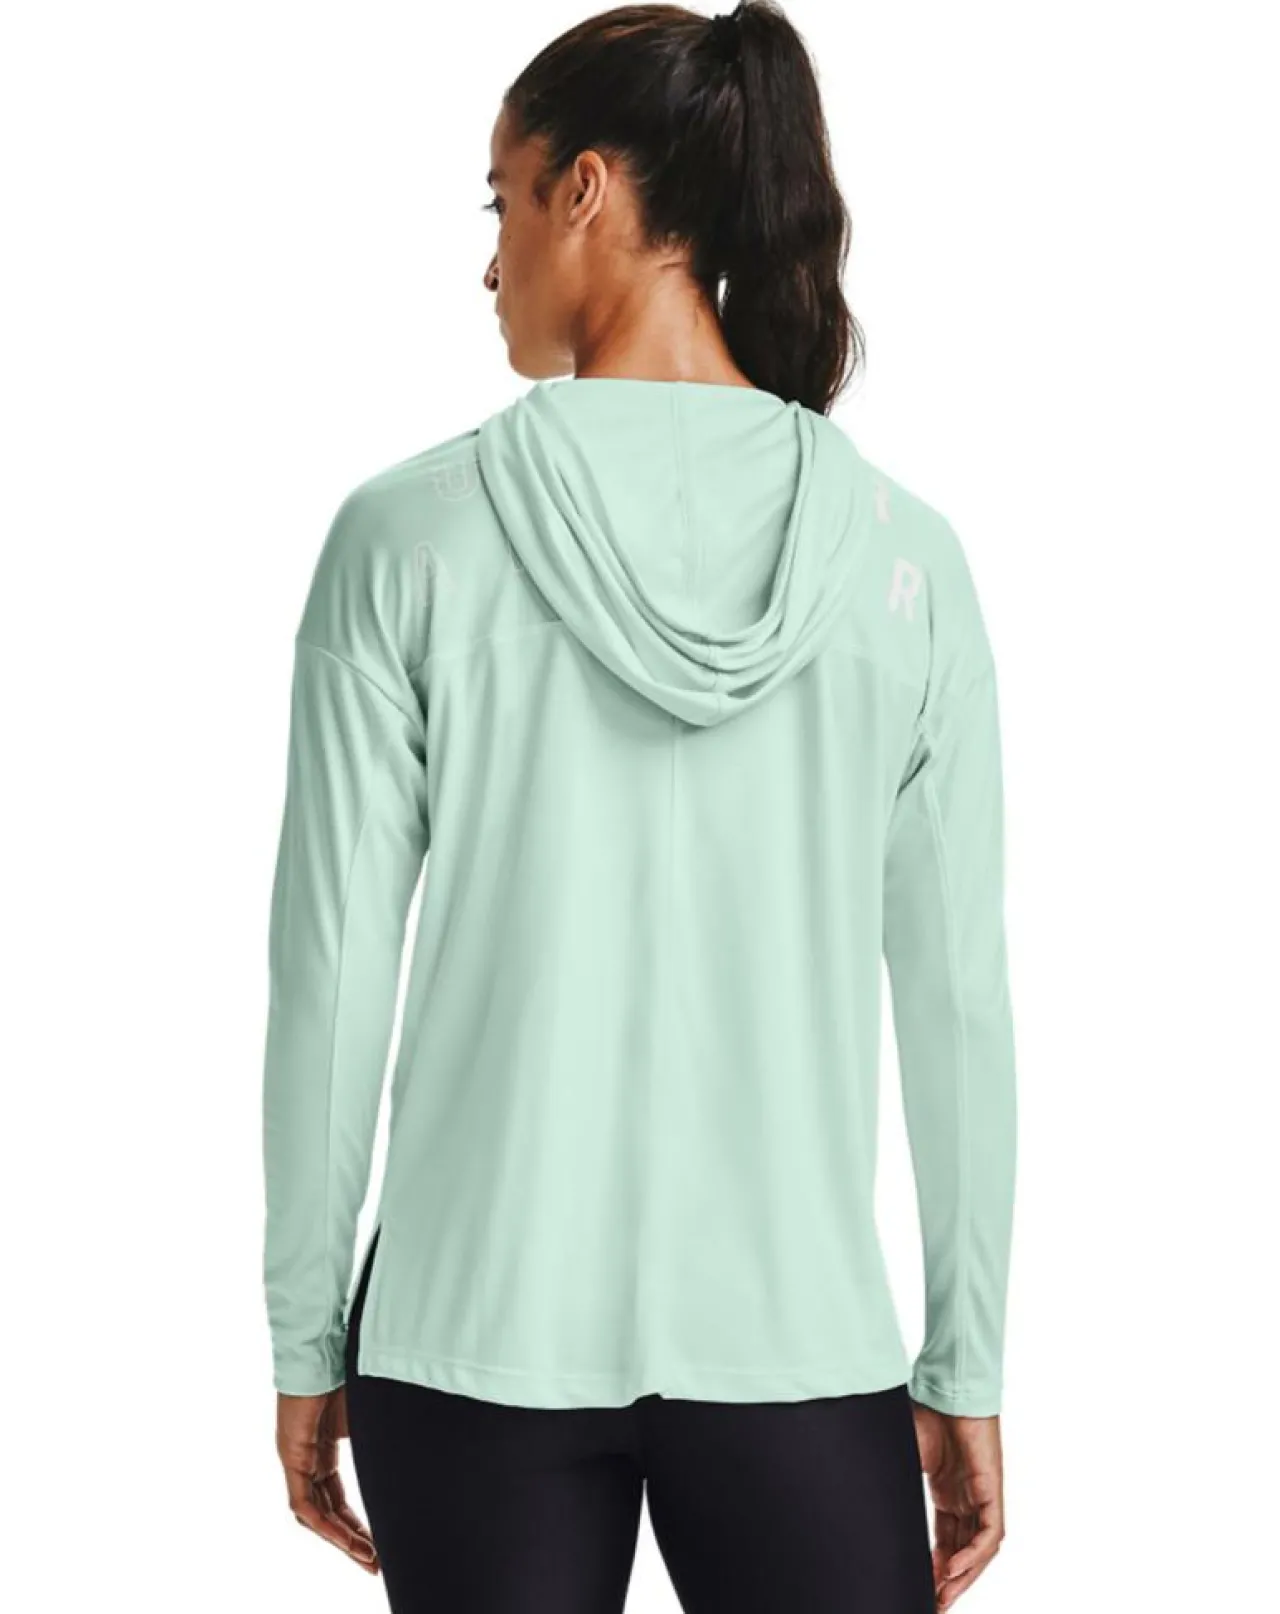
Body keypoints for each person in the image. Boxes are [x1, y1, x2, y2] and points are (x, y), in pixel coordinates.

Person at [261, 3, 1018, 1610]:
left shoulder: (405, 541)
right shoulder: (908, 564)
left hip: (469, 1333)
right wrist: (965, 1355)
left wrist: (305, 1332)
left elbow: (329, 976)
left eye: (501, 202)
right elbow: (959, 1000)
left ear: (585, 189)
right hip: (801, 1345)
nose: (489, 263)